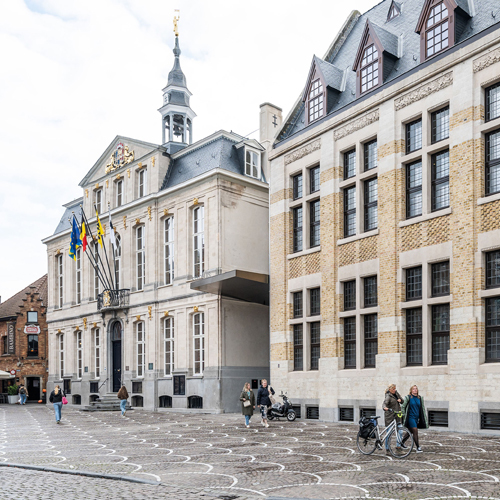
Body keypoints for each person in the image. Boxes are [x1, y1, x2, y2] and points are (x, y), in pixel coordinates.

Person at [402, 385, 429, 453]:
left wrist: (423, 417)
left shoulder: (420, 398)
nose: (415, 390)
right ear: (411, 390)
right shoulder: (408, 397)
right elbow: (403, 406)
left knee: (410, 431)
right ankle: (418, 447)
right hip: (410, 417)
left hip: (416, 418)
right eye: (413, 389)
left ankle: (402, 442)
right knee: (415, 430)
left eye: (416, 389)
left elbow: (422, 408)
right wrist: (404, 415)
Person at [383, 383, 404, 454]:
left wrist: (400, 400)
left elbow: (402, 401)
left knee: (400, 432)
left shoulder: (396, 394)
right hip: (390, 418)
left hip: (397, 417)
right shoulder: (388, 396)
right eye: (393, 389)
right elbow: (384, 403)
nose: (395, 390)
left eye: (395, 388)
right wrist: (384, 408)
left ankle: (398, 447)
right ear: (390, 390)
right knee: (388, 434)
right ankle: (387, 449)